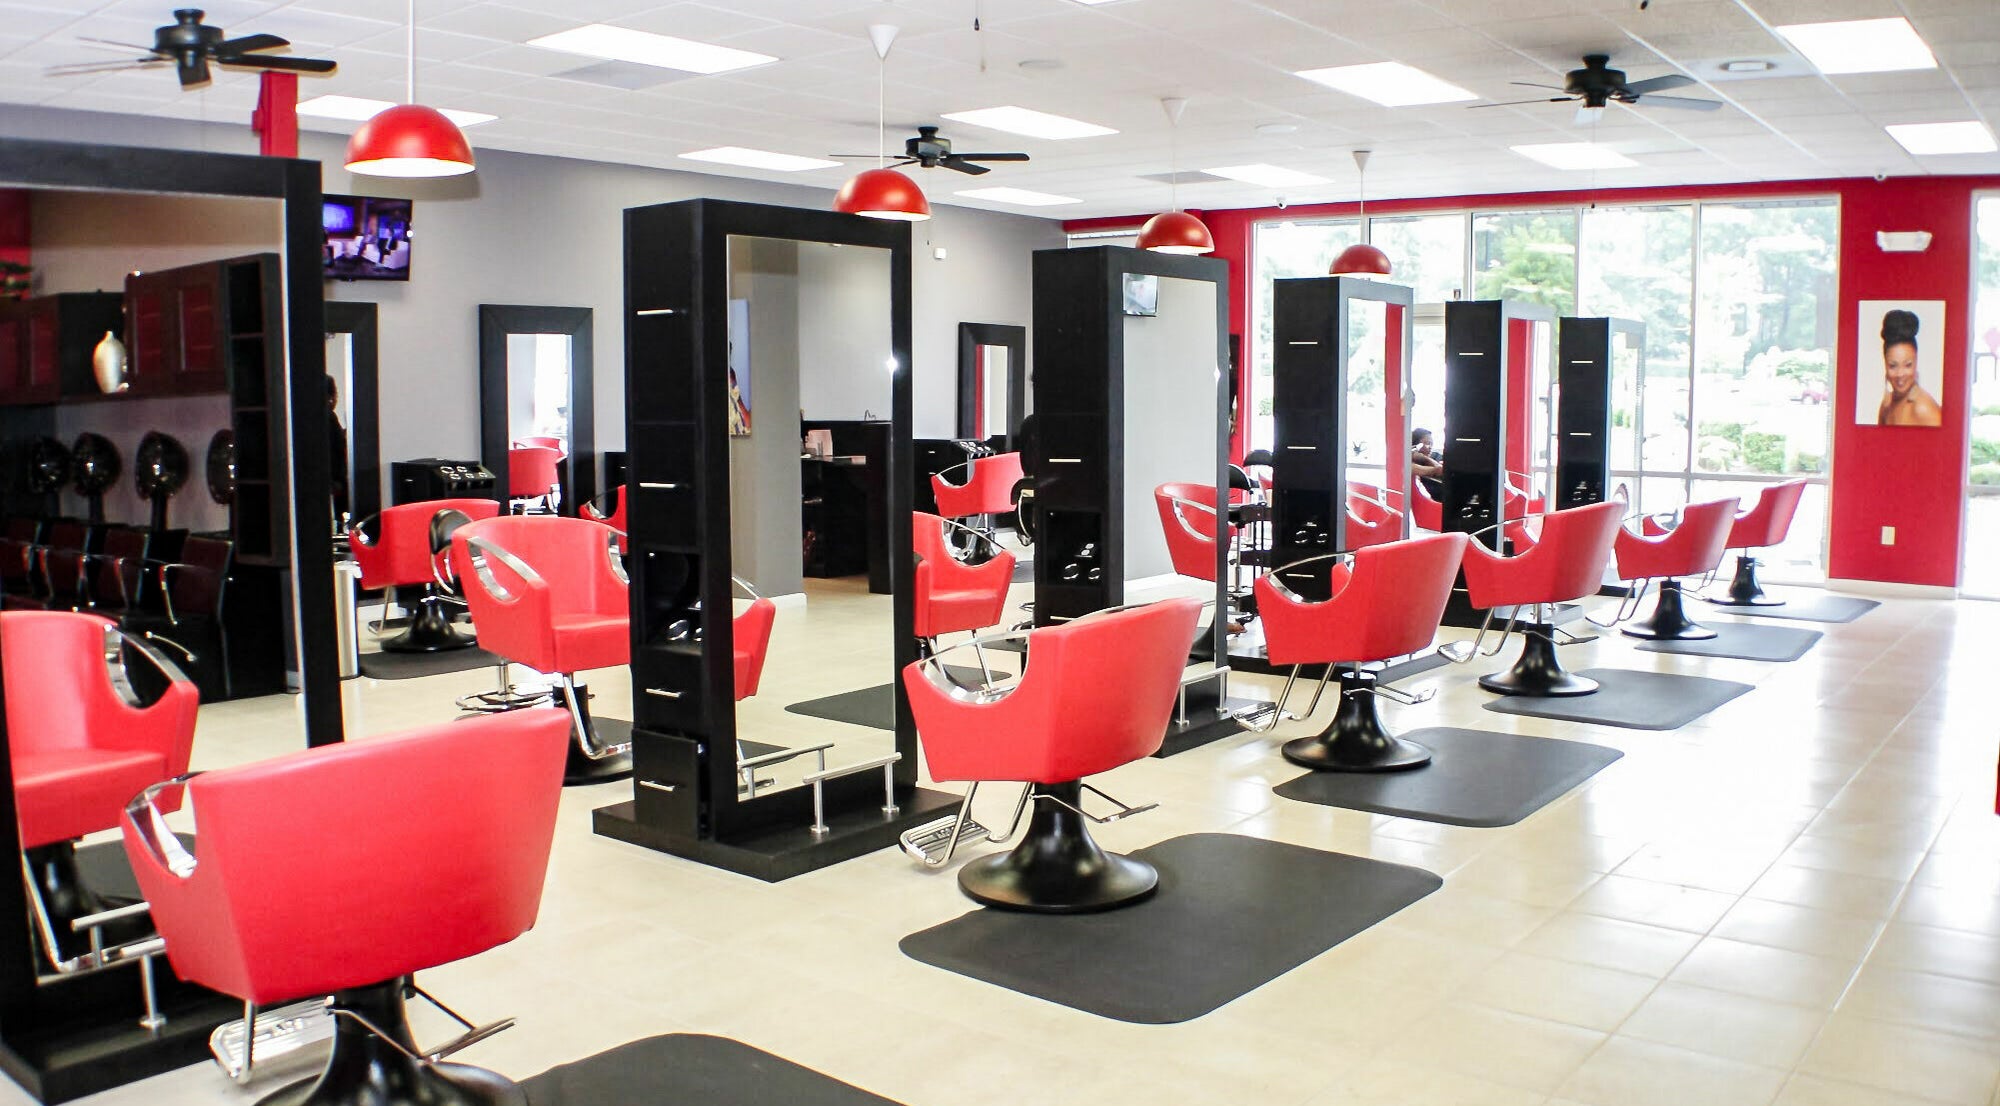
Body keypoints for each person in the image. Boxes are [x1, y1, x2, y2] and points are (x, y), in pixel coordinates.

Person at [1876, 309, 1942, 427]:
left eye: (1908, 365)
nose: (1900, 374)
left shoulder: (1923, 408)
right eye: (1893, 366)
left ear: (1916, 362)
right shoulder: (1886, 405)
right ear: (1885, 364)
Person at [1410, 427, 1444, 497]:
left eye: (1431, 444)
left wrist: (1424, 457)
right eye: (1427, 443)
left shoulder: (1436, 456)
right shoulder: (1411, 465)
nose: (1430, 447)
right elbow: (1439, 469)